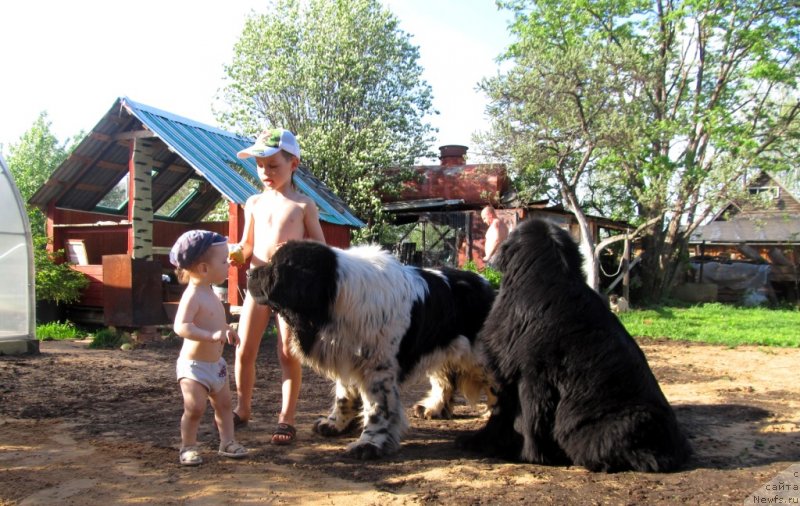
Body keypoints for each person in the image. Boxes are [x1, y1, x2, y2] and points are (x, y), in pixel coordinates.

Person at [230, 128, 326, 445]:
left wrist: (295, 253)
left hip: (289, 286)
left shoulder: (303, 206)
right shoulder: (254, 202)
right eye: (260, 166)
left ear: (293, 164)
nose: (266, 173)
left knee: (287, 352)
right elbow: (246, 245)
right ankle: (242, 409)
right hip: (259, 280)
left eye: (274, 165)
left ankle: (286, 418)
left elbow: (320, 249)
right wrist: (236, 252)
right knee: (245, 348)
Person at [170, 229, 247, 466]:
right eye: (224, 261)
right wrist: (211, 335)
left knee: (224, 406)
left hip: (216, 366)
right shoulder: (193, 295)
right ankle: (188, 447)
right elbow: (181, 327)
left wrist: (227, 329)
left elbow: (215, 320)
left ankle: (227, 442)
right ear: (204, 268)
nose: (229, 264)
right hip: (194, 368)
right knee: (194, 408)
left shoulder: (211, 293)